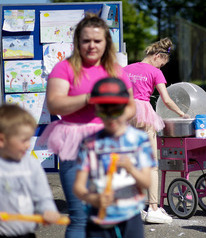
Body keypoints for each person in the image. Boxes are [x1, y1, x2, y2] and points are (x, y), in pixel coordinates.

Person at [41, 13, 135, 238]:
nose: (92, 45)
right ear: (77, 42)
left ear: (106, 43)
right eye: (86, 40)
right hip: (75, 145)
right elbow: (54, 105)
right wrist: (88, 99)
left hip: (110, 144)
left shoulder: (115, 70)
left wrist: (117, 116)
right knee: (81, 218)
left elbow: (131, 107)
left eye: (97, 40)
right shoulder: (64, 68)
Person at [73, 77, 155, 238]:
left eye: (116, 110)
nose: (111, 117)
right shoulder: (90, 143)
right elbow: (78, 187)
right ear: (96, 110)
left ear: (126, 109)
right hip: (99, 218)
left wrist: (131, 168)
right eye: (105, 111)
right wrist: (94, 199)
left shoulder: (139, 140)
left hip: (130, 217)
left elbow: (146, 182)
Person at [123, 37, 188, 224]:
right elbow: (166, 99)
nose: (161, 67)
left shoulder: (125, 69)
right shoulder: (155, 72)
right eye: (161, 63)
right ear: (157, 56)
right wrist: (181, 113)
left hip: (126, 113)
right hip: (144, 114)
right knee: (151, 164)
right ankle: (152, 207)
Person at [0, 104, 62, 237]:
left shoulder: (31, 165)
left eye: (29, 139)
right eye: (24, 140)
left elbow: (42, 195)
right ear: (2, 140)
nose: (28, 145)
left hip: (26, 233)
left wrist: (47, 210)